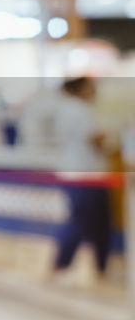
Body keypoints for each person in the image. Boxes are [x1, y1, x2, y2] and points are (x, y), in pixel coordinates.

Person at [52, 76, 111, 280]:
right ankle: (62, 265)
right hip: (85, 175)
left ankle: (97, 267)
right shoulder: (79, 109)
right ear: (82, 89)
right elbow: (94, 138)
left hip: (81, 173)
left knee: (94, 222)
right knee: (82, 221)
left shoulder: (68, 108)